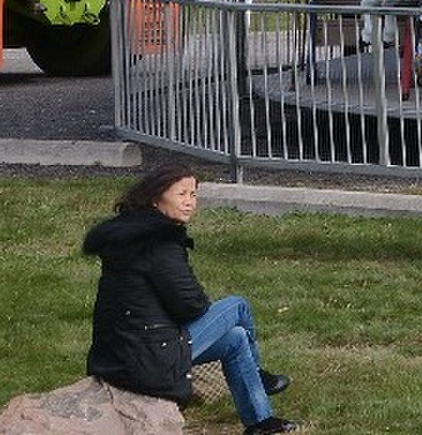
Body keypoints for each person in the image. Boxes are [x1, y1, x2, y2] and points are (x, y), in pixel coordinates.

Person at [83, 160, 295, 435]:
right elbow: (190, 307)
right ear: (156, 198)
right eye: (181, 194)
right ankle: (259, 376)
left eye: (193, 194)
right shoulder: (158, 241)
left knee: (236, 338)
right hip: (148, 358)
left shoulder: (129, 232)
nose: (190, 202)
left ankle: (259, 422)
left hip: (119, 352)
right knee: (237, 306)